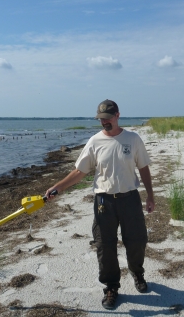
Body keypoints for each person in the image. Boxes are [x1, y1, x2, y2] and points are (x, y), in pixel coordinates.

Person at [45, 99, 155, 310]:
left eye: (107, 118)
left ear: (117, 116)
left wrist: (150, 195)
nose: (104, 122)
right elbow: (80, 171)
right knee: (105, 246)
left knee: (137, 240)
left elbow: (143, 168)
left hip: (130, 198)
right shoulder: (95, 142)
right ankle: (111, 287)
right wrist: (57, 187)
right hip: (104, 201)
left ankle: (137, 272)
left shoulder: (132, 139)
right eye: (101, 119)